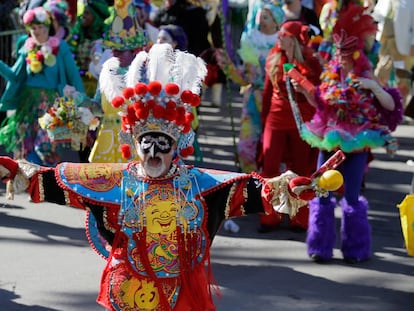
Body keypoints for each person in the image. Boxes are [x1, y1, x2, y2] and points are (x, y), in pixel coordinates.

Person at [0, 43, 342, 311]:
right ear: (134, 145)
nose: (152, 154)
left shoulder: (200, 184)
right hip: (129, 290)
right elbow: (58, 182)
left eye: (161, 145)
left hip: (181, 294)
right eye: (145, 145)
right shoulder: (116, 180)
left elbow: (250, 192)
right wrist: (15, 170)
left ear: (176, 146)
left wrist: (290, 187)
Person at [294, 4, 403, 263]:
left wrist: (372, 87)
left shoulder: (365, 74)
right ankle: (319, 246)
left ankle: (355, 249)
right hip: (329, 144)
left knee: (352, 197)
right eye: (339, 54)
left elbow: (390, 105)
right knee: (321, 192)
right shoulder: (331, 75)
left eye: (347, 55)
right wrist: (305, 91)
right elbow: (321, 103)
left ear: (357, 55)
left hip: (355, 148)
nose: (342, 59)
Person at [258, 20, 322, 233]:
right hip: (275, 119)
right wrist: (262, 120)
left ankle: (299, 217)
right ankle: (270, 216)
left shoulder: (311, 63)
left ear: (293, 38)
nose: (279, 37)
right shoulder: (274, 57)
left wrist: (302, 85)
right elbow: (267, 92)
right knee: (270, 167)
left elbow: (317, 95)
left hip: (301, 120)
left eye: (283, 34)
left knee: (300, 169)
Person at [0, 6, 84, 163]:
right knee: (26, 148)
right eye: (33, 28)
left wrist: (84, 103)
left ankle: (48, 182)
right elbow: (14, 76)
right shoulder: (26, 48)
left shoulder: (60, 47)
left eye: (40, 27)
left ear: (48, 27)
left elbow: (73, 76)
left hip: (51, 106)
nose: (36, 31)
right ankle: (31, 182)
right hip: (28, 104)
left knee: (47, 148)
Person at [88, 0, 148, 163]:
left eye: (120, 51)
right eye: (113, 50)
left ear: (135, 51)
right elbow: (98, 107)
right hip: (106, 140)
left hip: (133, 141)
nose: (115, 54)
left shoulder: (145, 75)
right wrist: (79, 106)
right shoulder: (107, 71)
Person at [68, 0, 110, 97]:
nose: (83, 15)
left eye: (87, 13)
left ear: (96, 16)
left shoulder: (106, 37)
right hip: (78, 85)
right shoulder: (76, 33)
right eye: (82, 12)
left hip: (99, 87)